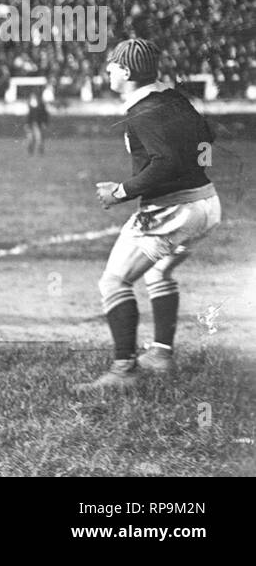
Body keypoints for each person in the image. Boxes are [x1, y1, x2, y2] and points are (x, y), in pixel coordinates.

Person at [76, 38, 222, 392]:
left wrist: (120, 192)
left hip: (172, 210)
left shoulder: (141, 112)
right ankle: (161, 354)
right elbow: (208, 135)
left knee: (114, 281)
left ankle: (123, 370)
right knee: (158, 273)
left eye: (112, 64)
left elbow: (166, 162)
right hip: (207, 204)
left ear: (125, 72)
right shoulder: (172, 97)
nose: (107, 69)